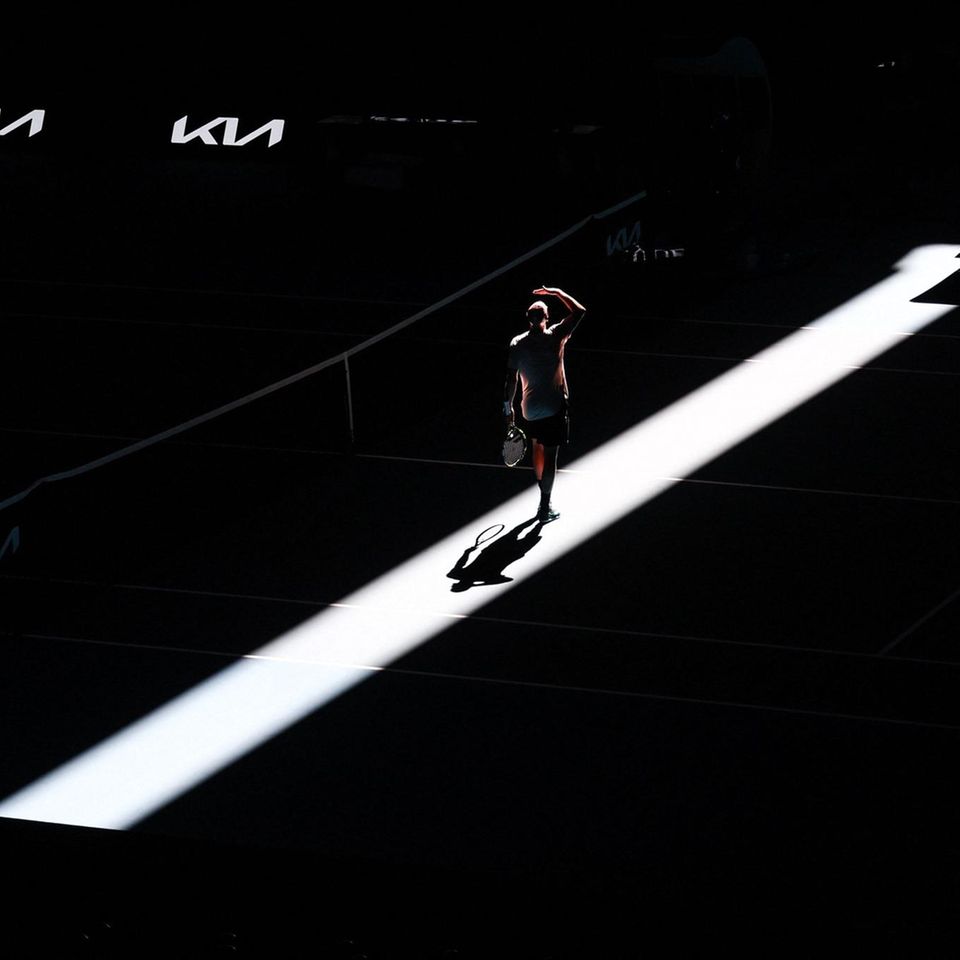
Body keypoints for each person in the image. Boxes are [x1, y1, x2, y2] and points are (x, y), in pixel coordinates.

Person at [503, 286, 586, 523]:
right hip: (554, 406)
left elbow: (510, 379)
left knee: (537, 448)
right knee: (550, 456)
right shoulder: (557, 335)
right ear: (547, 318)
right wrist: (557, 292)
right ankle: (545, 504)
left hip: (528, 410)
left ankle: (542, 493)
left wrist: (507, 409)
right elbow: (579, 311)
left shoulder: (517, 343)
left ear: (529, 319)